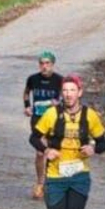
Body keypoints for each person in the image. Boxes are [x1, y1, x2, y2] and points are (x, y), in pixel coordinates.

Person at [30, 74, 105, 209]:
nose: (68, 94)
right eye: (65, 91)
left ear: (79, 93)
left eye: (72, 90)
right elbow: (34, 137)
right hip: (56, 175)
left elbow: (102, 143)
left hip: (79, 175)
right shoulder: (51, 114)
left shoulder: (89, 116)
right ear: (61, 93)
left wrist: (93, 149)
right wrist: (47, 151)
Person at [22, 52, 63, 200]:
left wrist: (59, 103)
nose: (44, 66)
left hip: (54, 121)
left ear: (52, 64)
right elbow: (27, 93)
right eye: (42, 63)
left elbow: (66, 97)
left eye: (47, 63)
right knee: (40, 152)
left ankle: (50, 183)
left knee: (52, 151)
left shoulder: (59, 80)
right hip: (38, 119)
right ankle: (40, 182)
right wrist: (27, 106)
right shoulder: (33, 79)